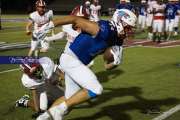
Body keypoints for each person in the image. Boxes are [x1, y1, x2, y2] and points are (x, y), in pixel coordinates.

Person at [36, 9, 137, 120]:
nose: (129, 31)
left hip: (77, 63)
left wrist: (114, 62)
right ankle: (58, 110)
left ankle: (43, 118)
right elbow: (74, 19)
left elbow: (106, 65)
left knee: (69, 100)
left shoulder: (117, 38)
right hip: (70, 59)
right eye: (128, 27)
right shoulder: (104, 29)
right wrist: (49, 25)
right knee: (96, 88)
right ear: (119, 21)